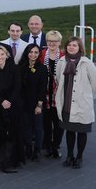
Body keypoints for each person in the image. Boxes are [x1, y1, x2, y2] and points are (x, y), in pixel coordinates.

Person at [56, 36, 96, 169]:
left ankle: (79, 157)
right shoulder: (62, 61)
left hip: (82, 104)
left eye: (74, 45)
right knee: (69, 131)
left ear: (80, 47)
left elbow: (95, 83)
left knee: (81, 132)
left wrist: (84, 94)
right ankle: (69, 156)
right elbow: (58, 79)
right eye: (69, 45)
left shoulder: (87, 63)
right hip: (67, 102)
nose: (71, 47)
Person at [0, 45, 21, 173]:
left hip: (12, 106)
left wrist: (9, 101)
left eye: (2, 54)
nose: (0, 57)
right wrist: (1, 101)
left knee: (11, 134)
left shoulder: (15, 68)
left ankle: (8, 161)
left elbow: (17, 87)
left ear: (7, 55)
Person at [19, 43, 46, 162]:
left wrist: (39, 105)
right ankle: (28, 148)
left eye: (36, 52)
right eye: (31, 52)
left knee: (38, 127)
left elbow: (42, 88)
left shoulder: (42, 68)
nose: (33, 54)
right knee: (26, 127)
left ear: (39, 54)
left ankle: (37, 150)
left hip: (36, 103)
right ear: (27, 53)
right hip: (23, 103)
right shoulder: (21, 67)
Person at [41, 30, 65, 158]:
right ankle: (48, 146)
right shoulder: (41, 54)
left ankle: (56, 146)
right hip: (44, 94)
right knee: (46, 123)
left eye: (55, 41)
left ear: (59, 42)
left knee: (58, 124)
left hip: (58, 94)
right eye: (49, 40)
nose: (52, 43)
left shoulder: (63, 56)